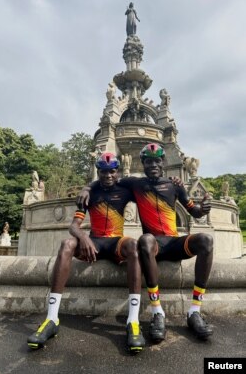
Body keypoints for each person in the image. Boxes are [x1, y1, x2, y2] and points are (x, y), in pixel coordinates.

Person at [78, 144, 214, 342]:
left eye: (157, 161)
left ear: (163, 162)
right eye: (148, 161)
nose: (153, 165)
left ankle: (194, 311)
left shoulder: (175, 185)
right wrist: (86, 187)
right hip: (153, 246)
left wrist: (204, 209)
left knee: (206, 240)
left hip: (175, 242)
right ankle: (157, 312)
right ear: (143, 164)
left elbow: (194, 212)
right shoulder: (136, 184)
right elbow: (107, 178)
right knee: (146, 239)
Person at [27, 152, 145, 353]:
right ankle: (51, 318)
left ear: (117, 172)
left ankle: (133, 321)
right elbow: (74, 226)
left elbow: (147, 187)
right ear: (98, 172)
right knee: (66, 244)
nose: (108, 175)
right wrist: (83, 237)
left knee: (133, 245)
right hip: (95, 242)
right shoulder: (90, 194)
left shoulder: (125, 189)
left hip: (116, 241)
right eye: (103, 172)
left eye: (112, 171)